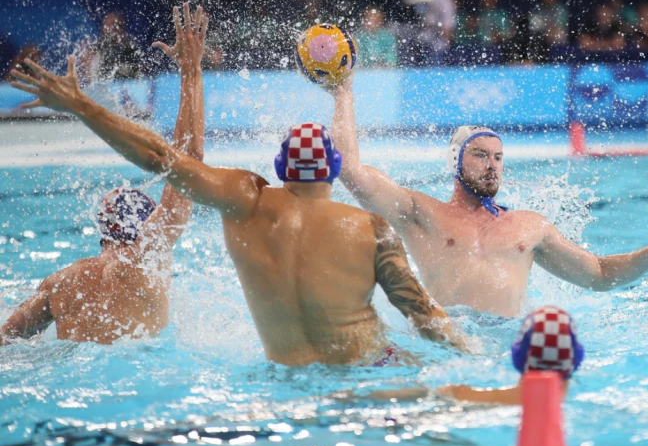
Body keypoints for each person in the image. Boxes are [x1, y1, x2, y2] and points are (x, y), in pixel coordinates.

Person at [9, 50, 465, 366]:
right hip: (367, 370)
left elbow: (163, 158)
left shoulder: (246, 201)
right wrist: (473, 356)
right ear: (334, 169)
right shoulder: (370, 228)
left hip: (280, 378)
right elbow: (426, 318)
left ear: (279, 167)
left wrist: (82, 106)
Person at [330, 78, 648, 318]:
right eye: (480, 155)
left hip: (507, 350)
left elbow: (599, 275)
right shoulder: (421, 213)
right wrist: (343, 91)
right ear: (456, 162)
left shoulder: (530, 227)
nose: (492, 166)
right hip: (449, 343)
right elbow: (350, 170)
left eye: (498, 158)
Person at [0, 4, 208, 345]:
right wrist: (191, 71)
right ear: (147, 225)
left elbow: (6, 340)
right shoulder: (149, 253)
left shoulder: (59, 283)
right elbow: (189, 161)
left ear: (103, 232)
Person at [352, 306, 582, 405]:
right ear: (578, 359)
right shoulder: (580, 407)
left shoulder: (466, 396)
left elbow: (405, 395)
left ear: (516, 356)